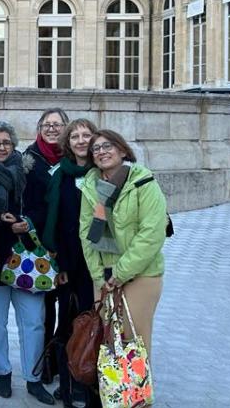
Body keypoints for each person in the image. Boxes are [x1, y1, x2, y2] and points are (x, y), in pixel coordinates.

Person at [0, 121, 54, 405]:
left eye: (6, 142)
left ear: (14, 145)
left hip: (27, 259)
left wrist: (26, 222)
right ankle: (3, 372)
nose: (0, 147)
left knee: (33, 322)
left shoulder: (29, 170)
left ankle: (33, 378)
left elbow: (46, 206)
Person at [79, 130, 166, 364]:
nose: (101, 152)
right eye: (96, 149)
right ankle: (111, 397)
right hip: (104, 278)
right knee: (106, 343)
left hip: (140, 276)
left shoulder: (143, 182)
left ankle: (135, 399)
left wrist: (121, 273)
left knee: (133, 344)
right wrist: (99, 276)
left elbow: (152, 233)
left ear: (122, 150)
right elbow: (87, 234)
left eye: (107, 146)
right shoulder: (91, 185)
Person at [45, 118, 99, 408]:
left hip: (97, 263)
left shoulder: (103, 172)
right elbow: (55, 222)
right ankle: (68, 381)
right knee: (68, 322)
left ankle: (89, 381)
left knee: (94, 322)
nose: (81, 140)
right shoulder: (60, 174)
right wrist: (59, 264)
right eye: (75, 136)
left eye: (86, 135)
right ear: (68, 142)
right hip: (67, 262)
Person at [21, 107, 69, 391]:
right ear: (39, 128)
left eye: (58, 124)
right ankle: (45, 361)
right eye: (47, 124)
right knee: (44, 308)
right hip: (41, 245)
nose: (52, 129)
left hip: (71, 244)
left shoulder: (75, 159)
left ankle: (67, 359)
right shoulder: (29, 159)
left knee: (71, 306)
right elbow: (25, 203)